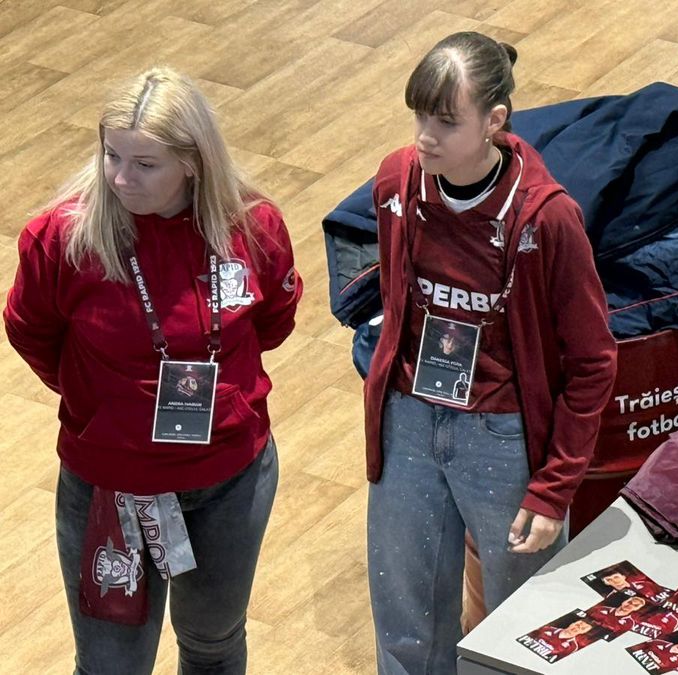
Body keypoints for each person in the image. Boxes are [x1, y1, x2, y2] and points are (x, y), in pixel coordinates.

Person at [4, 66, 301, 674]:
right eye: (112, 155)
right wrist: (103, 405)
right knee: (110, 665)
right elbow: (30, 329)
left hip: (227, 480)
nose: (120, 177)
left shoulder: (253, 227)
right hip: (109, 486)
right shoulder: (62, 238)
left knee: (214, 645)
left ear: (192, 162)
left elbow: (273, 321)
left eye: (144, 164)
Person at [362, 31, 618, 674]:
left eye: (446, 122)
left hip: (504, 439)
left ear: (494, 121)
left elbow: (593, 361)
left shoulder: (548, 219)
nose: (425, 137)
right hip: (409, 421)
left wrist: (553, 489)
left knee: (521, 637)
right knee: (405, 633)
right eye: (419, 116)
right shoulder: (397, 181)